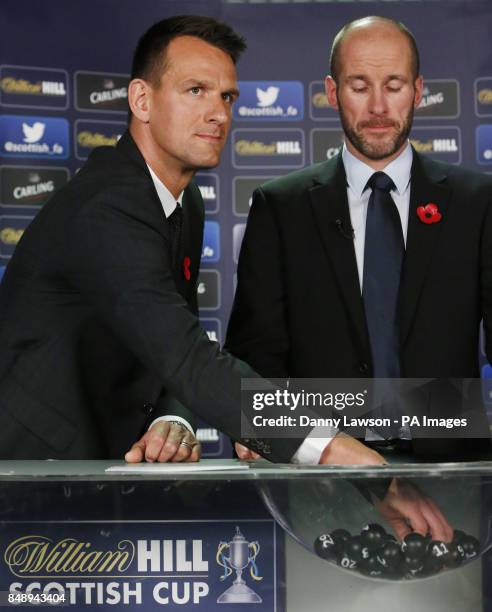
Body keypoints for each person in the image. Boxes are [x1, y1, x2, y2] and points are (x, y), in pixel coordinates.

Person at [226, 16, 492, 539]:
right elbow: (254, 370)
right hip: (322, 488)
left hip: (454, 482)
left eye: (393, 86)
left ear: (417, 91)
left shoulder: (476, 204)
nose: (376, 107)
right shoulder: (280, 208)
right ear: (331, 92)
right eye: (358, 85)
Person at [0, 15, 292, 464]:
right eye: (196, 90)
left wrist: (170, 418)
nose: (219, 112)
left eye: (227, 96)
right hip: (26, 470)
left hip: (104, 465)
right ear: (142, 99)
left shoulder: (186, 199)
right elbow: (185, 357)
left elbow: (173, 333)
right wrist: (322, 443)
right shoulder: (108, 205)